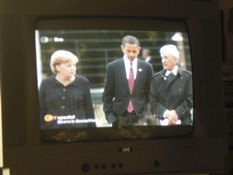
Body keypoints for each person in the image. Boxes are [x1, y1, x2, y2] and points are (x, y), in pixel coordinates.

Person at [102, 35, 154, 127]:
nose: (131, 54)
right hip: (119, 118)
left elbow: (151, 94)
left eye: (134, 51)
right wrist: (110, 117)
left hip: (141, 117)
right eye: (128, 51)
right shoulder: (112, 67)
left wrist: (148, 114)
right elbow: (107, 95)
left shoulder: (147, 67)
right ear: (122, 48)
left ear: (139, 49)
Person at [39, 50, 96, 129]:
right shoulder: (46, 84)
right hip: (52, 132)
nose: (73, 68)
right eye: (69, 65)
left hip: (79, 132)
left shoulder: (83, 82)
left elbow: (89, 111)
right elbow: (40, 111)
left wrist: (93, 133)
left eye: (74, 65)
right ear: (57, 67)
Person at [149, 44, 193, 125]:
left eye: (166, 57)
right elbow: (153, 102)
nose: (163, 60)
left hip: (183, 123)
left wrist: (176, 114)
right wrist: (166, 113)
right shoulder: (155, 79)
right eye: (162, 57)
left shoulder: (187, 77)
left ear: (175, 59)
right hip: (161, 124)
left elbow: (190, 100)